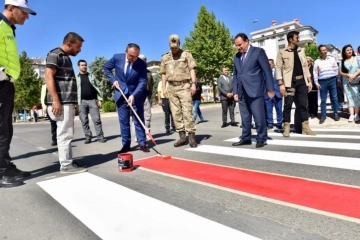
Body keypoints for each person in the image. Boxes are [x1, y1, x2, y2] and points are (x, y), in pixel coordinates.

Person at [0, 0, 36, 188]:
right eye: (24, 12)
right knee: (0, 130)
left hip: (6, 85)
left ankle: (5, 166)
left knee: (6, 128)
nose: (26, 16)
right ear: (11, 8)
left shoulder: (9, 28)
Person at [45, 32, 87, 174]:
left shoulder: (65, 57)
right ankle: (66, 165)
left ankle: (67, 160)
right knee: (65, 133)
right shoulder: (55, 54)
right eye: (78, 46)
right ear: (69, 43)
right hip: (61, 102)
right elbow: (48, 76)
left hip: (66, 102)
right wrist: (56, 100)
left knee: (66, 133)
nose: (79, 50)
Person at [103, 43, 149, 153]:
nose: (133, 59)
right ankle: (126, 144)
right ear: (126, 52)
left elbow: (142, 82)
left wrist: (134, 95)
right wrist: (113, 80)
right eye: (131, 56)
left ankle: (142, 142)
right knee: (124, 121)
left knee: (138, 119)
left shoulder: (141, 64)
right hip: (121, 94)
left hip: (136, 95)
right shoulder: (117, 58)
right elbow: (106, 68)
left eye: (136, 56)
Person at [231, 33, 274, 148]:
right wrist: (235, 91)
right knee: (245, 117)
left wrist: (270, 88)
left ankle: (262, 138)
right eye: (236, 45)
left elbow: (267, 71)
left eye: (240, 44)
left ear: (247, 41)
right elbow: (235, 75)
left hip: (255, 90)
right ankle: (245, 138)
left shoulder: (258, 52)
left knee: (258, 115)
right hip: (241, 91)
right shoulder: (236, 57)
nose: (238, 47)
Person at [276, 31, 316, 137]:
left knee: (303, 105)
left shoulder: (301, 51)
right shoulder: (282, 52)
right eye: (296, 37)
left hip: (302, 82)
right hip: (289, 83)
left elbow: (305, 67)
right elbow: (278, 68)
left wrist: (309, 80)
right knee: (288, 105)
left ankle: (306, 127)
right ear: (290, 39)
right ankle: (287, 128)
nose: (298, 39)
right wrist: (281, 84)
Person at [161, 34, 198, 148]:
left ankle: (191, 136)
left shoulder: (186, 54)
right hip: (171, 87)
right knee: (175, 113)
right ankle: (182, 137)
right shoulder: (165, 57)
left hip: (184, 86)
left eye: (176, 47)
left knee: (187, 111)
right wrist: (164, 88)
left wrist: (194, 84)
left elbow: (192, 69)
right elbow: (163, 73)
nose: (174, 49)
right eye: (172, 47)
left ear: (179, 44)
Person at [76, 59, 106, 144]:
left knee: (97, 119)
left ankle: (100, 136)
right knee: (84, 120)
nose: (84, 66)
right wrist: (75, 103)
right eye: (82, 65)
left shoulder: (92, 76)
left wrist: (100, 100)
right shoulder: (76, 78)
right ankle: (88, 137)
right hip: (81, 102)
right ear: (79, 66)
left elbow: (98, 88)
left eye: (85, 65)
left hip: (92, 100)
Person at [313, 45, 340, 124]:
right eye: (322, 50)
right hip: (322, 81)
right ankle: (323, 115)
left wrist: (338, 79)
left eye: (325, 50)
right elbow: (315, 73)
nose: (324, 51)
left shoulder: (332, 59)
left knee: (334, 98)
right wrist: (316, 82)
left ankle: (335, 113)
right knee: (323, 100)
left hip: (332, 80)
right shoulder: (317, 61)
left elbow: (336, 69)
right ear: (319, 52)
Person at [131, 54, 153, 142]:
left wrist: (150, 96)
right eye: (141, 60)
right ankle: (137, 135)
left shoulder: (148, 72)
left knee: (147, 116)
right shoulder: (133, 71)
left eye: (145, 60)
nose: (144, 61)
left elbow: (151, 85)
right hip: (135, 97)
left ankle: (147, 133)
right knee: (136, 117)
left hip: (146, 96)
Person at [339, 44, 360, 122]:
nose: (349, 51)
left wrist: (354, 75)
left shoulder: (357, 58)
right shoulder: (342, 61)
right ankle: (351, 114)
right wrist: (348, 75)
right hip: (346, 82)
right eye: (347, 50)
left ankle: (357, 114)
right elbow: (340, 72)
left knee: (357, 97)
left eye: (350, 49)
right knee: (349, 98)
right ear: (344, 52)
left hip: (356, 81)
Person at [264, 59, 283, 129]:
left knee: (279, 110)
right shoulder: (264, 73)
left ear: (273, 64)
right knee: (268, 110)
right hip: (268, 94)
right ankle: (270, 123)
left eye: (270, 64)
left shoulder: (279, 72)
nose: (268, 66)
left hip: (277, 94)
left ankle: (279, 123)